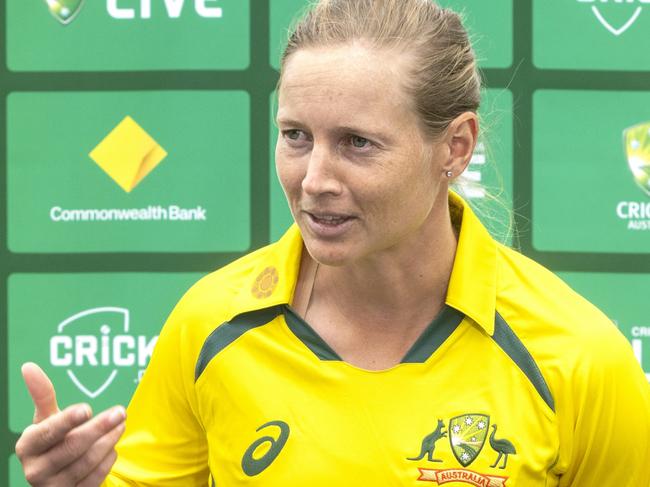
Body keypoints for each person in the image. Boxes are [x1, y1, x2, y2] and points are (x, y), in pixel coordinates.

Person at [15, 0, 650, 485]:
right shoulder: (211, 324)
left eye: (357, 143)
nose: (314, 180)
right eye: (295, 136)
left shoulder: (578, 356)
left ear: (455, 147)